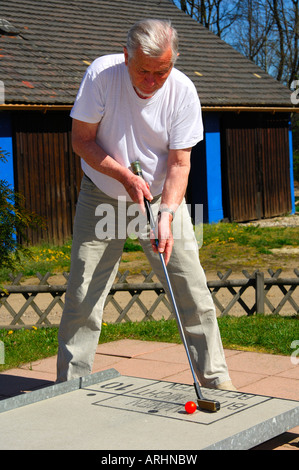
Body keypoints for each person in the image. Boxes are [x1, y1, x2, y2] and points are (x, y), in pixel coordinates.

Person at [56, 19, 235, 391]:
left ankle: (216, 382)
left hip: (159, 199)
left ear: (174, 61)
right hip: (103, 192)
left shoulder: (183, 91)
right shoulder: (102, 75)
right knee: (83, 292)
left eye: (162, 72)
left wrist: (166, 215)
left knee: (191, 287)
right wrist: (124, 176)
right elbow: (81, 140)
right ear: (126, 57)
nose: (152, 81)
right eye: (144, 71)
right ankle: (70, 387)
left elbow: (180, 163)